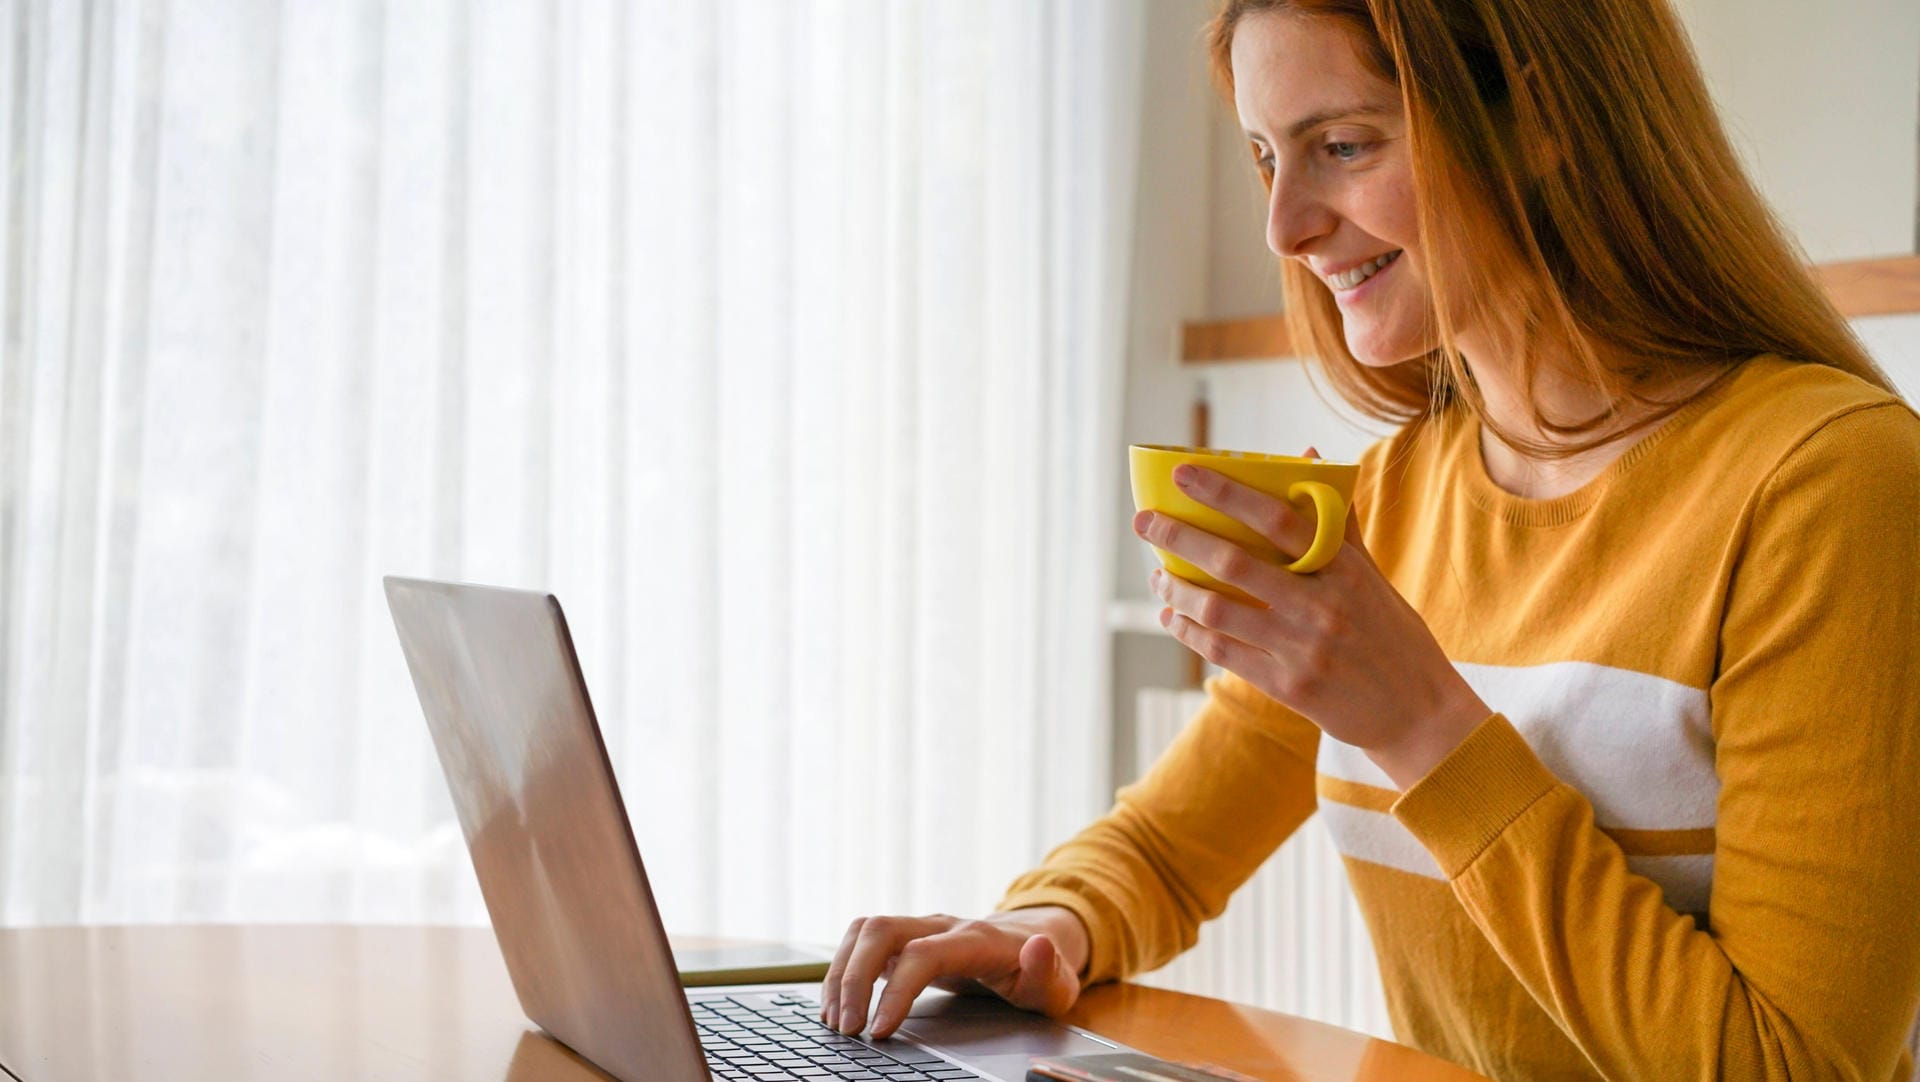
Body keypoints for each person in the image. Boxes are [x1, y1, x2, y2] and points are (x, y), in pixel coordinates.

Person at [820, 0, 1920, 1077]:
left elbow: (1794, 1061)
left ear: (1538, 123)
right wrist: (1039, 925)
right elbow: (1165, 847)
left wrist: (1423, 725)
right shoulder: (1396, 492)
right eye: (1264, 158)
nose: (1285, 227)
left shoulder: (1832, 484)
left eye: (1340, 146)